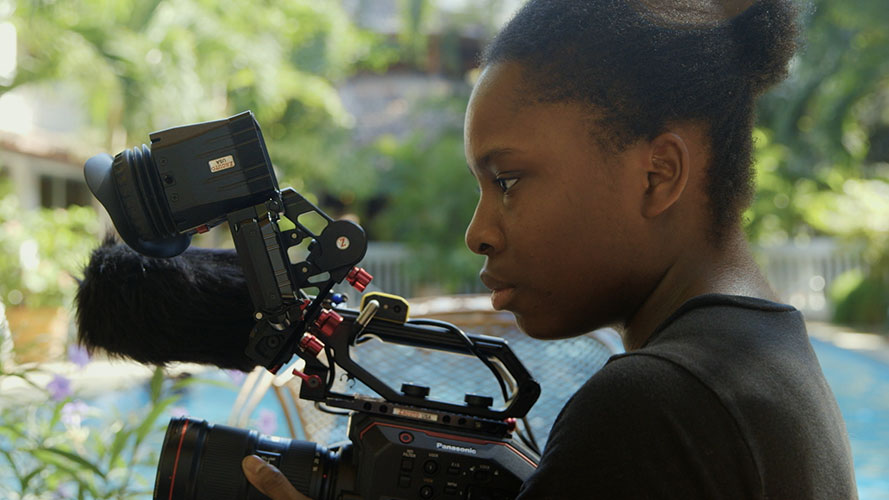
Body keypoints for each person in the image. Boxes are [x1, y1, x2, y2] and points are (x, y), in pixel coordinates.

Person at [243, 0, 858, 498]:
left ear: (657, 175)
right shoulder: (768, 361)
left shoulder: (653, 407)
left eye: (507, 182)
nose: (477, 233)